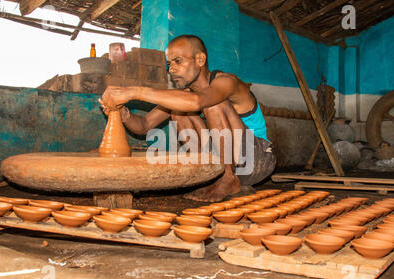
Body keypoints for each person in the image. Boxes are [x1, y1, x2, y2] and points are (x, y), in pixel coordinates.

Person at [100, 34, 276, 202]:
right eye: (169, 64)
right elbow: (144, 125)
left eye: (178, 61)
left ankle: (227, 178)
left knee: (213, 103)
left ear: (200, 60)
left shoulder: (226, 81)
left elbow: (198, 101)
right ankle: (207, 176)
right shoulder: (186, 95)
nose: (172, 69)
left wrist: (136, 91)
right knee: (178, 111)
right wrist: (124, 114)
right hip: (224, 161)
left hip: (257, 160)